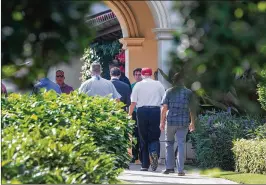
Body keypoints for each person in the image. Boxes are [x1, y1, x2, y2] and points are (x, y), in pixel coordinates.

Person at [128, 68, 165, 171]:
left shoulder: (138, 85)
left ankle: (145, 165)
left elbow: (133, 103)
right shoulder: (158, 84)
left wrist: (129, 115)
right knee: (154, 136)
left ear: (143, 75)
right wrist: (163, 117)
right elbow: (164, 101)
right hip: (155, 111)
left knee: (143, 138)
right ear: (151, 74)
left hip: (142, 112)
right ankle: (154, 152)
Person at [160, 72, 196, 176]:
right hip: (183, 122)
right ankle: (180, 170)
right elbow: (192, 109)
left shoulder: (169, 91)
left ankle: (169, 168)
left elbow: (164, 108)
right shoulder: (188, 92)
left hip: (170, 121)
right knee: (181, 144)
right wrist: (192, 122)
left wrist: (162, 121)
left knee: (169, 144)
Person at [130, 68, 142, 163]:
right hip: (134, 112)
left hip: (142, 112)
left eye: (139, 74)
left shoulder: (145, 86)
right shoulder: (132, 86)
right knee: (134, 134)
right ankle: (135, 155)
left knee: (142, 134)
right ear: (134, 76)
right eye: (136, 74)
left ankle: (142, 155)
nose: (138, 76)